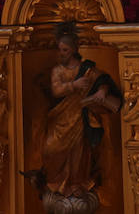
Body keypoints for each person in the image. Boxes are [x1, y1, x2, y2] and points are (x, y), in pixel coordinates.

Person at [26, 26, 122, 210]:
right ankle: (56, 183)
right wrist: (74, 84)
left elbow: (103, 80)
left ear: (73, 50)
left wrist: (101, 91)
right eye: (59, 50)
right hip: (61, 118)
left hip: (81, 117)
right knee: (50, 148)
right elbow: (56, 90)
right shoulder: (58, 71)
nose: (61, 54)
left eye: (65, 50)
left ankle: (76, 184)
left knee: (80, 152)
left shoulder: (87, 69)